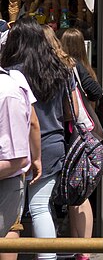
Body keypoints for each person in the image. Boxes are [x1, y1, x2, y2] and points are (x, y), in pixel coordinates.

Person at [0, 19, 73, 260]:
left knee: (13, 217)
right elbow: (68, 110)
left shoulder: (13, 72)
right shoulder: (59, 68)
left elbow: (32, 121)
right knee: (41, 206)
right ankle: (48, 257)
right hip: (52, 143)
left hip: (17, 148)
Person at [53, 28, 103, 258]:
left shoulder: (75, 68)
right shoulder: (84, 67)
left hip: (81, 135)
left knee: (79, 192)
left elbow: (96, 93)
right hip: (83, 135)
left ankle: (83, 249)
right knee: (77, 192)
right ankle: (78, 248)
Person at [0, 61, 41, 258]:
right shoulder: (16, 81)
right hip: (12, 173)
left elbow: (16, 159)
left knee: (9, 230)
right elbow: (33, 122)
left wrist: (36, 158)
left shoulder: (9, 88)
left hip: (7, 177)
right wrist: (37, 157)